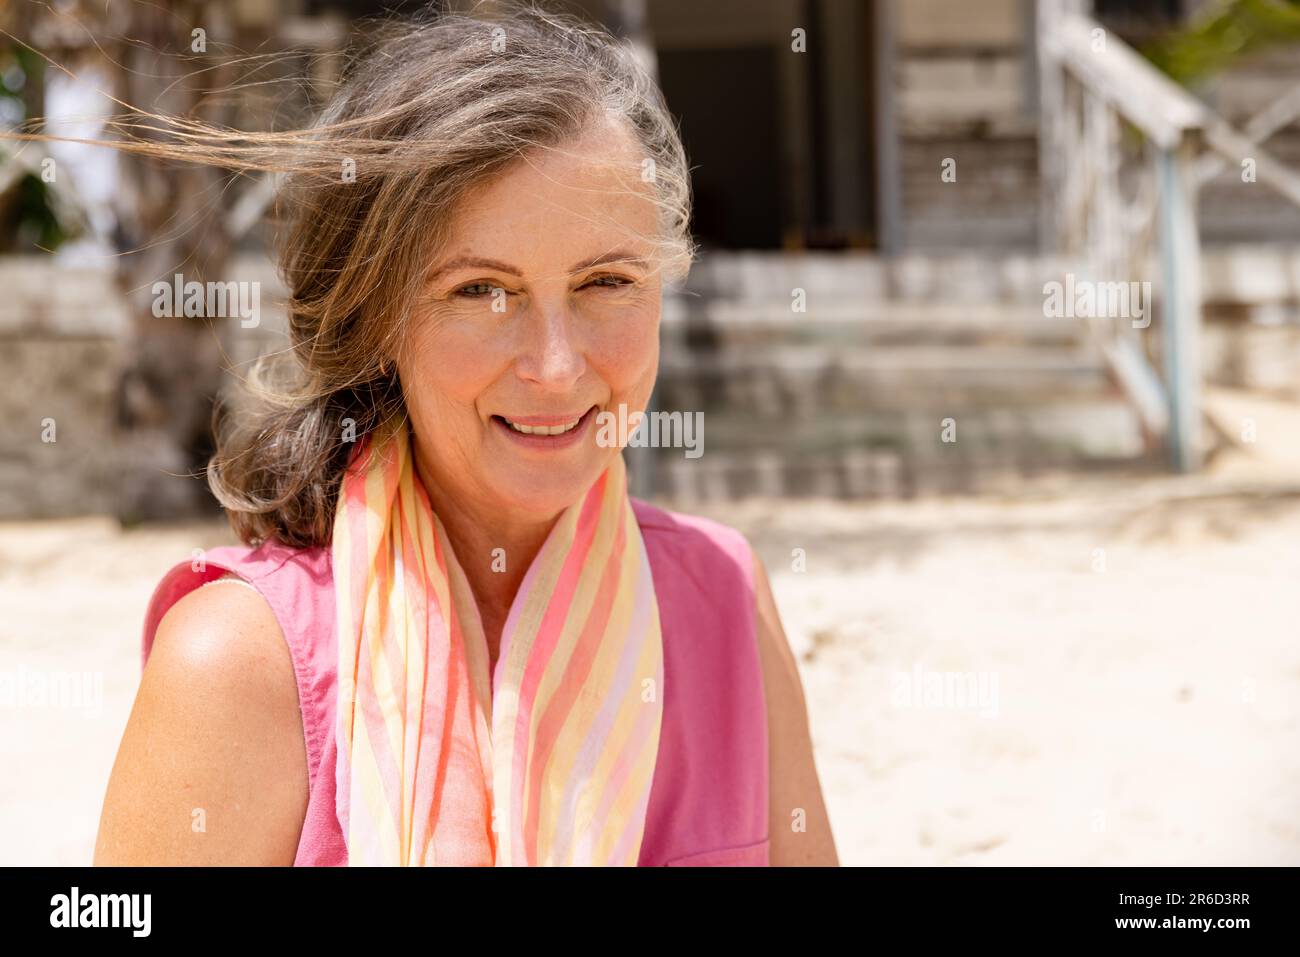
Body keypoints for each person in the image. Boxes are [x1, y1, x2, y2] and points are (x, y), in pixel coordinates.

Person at [89, 2, 837, 866]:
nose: (557, 366)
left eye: (605, 280)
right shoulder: (239, 665)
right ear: (378, 320)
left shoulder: (723, 601)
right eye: (483, 290)